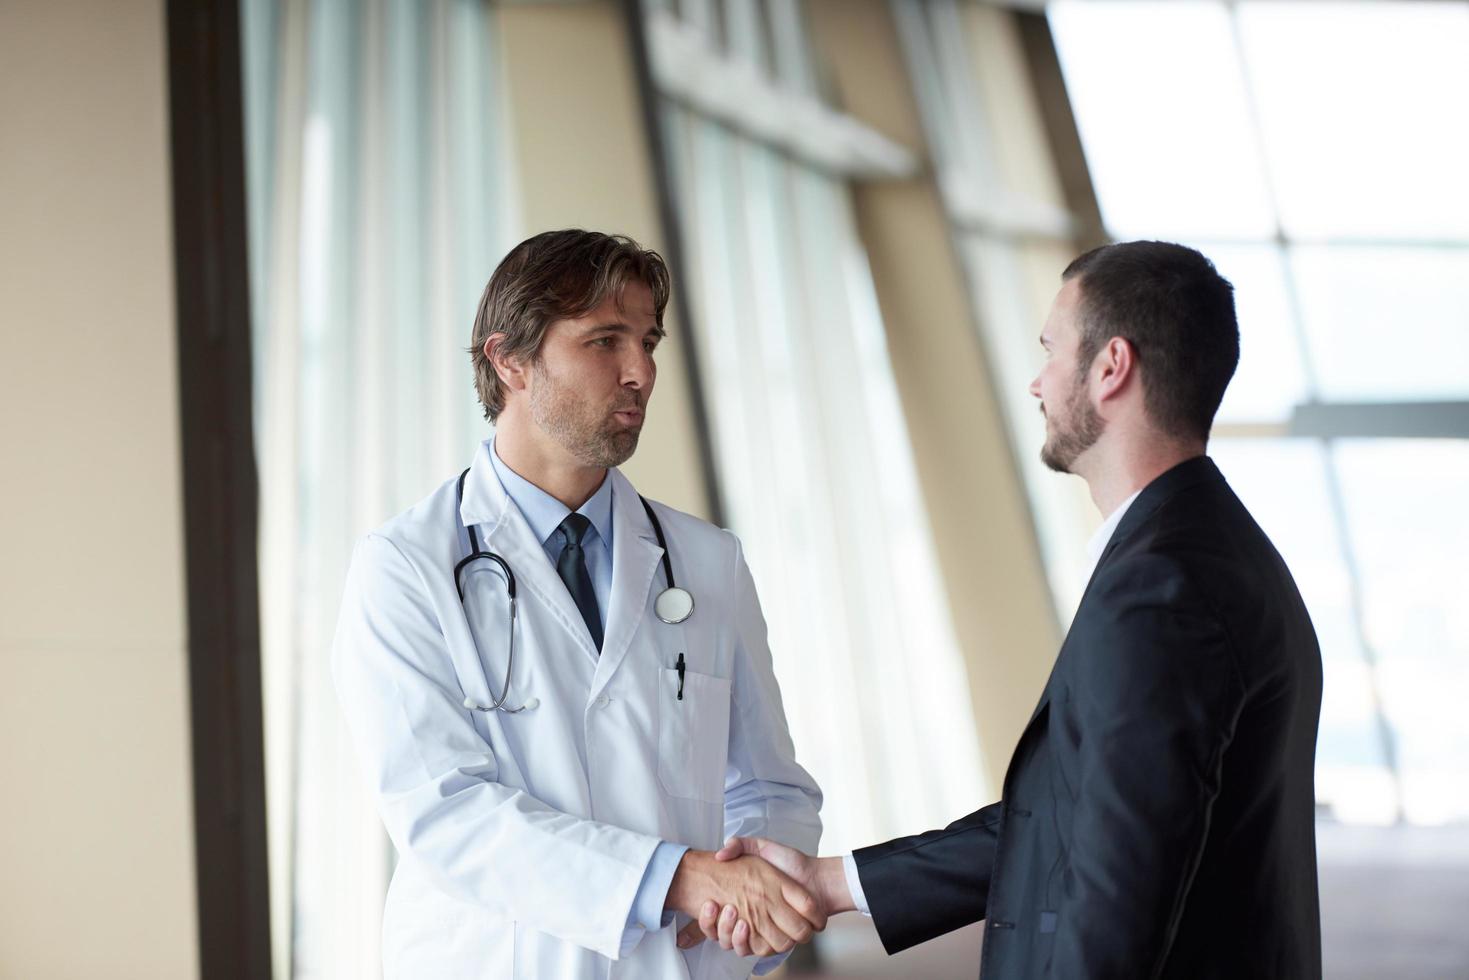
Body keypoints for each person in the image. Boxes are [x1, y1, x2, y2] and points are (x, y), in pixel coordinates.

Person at [692, 241, 1324, 979]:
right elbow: (1070, 821)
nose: (1037, 381)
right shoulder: (1202, 548)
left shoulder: (1163, 588)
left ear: (1110, 367)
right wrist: (829, 883)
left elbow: (1122, 888)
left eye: (1051, 350)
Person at [332, 229, 824, 980]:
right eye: (604, 341)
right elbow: (443, 810)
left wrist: (754, 905)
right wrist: (680, 878)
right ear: (510, 360)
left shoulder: (705, 560)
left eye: (648, 341)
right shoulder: (406, 566)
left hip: (680, 962)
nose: (640, 373)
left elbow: (767, 784)